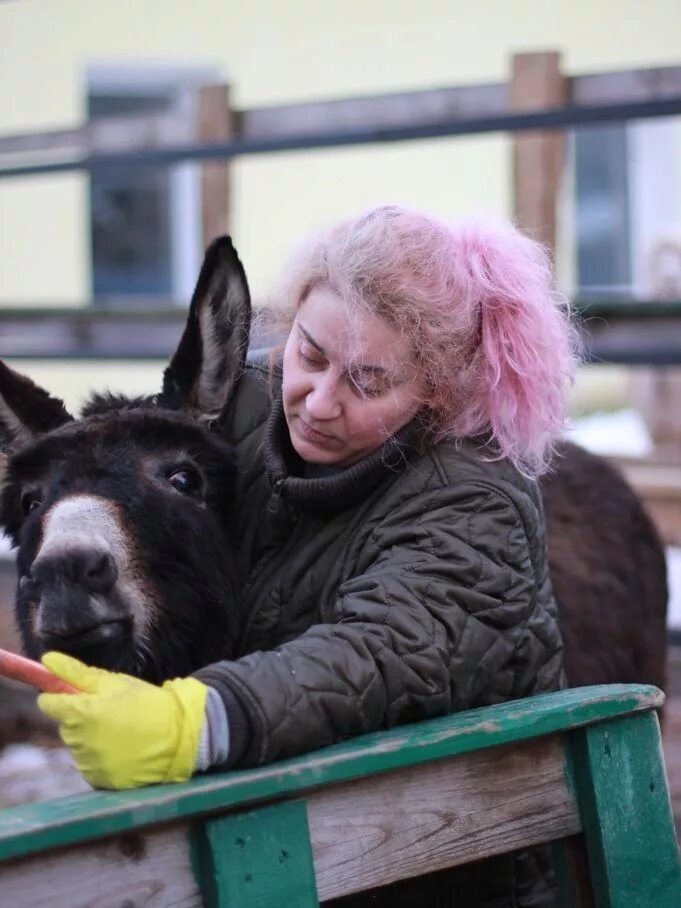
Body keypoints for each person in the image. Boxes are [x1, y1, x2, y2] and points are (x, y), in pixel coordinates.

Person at [39, 205, 578, 906]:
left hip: (438, 869)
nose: (318, 403)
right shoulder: (252, 404)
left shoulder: (474, 501)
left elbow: (379, 653)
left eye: (367, 382)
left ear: (437, 396)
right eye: (310, 353)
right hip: (296, 841)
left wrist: (195, 722)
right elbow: (121, 456)